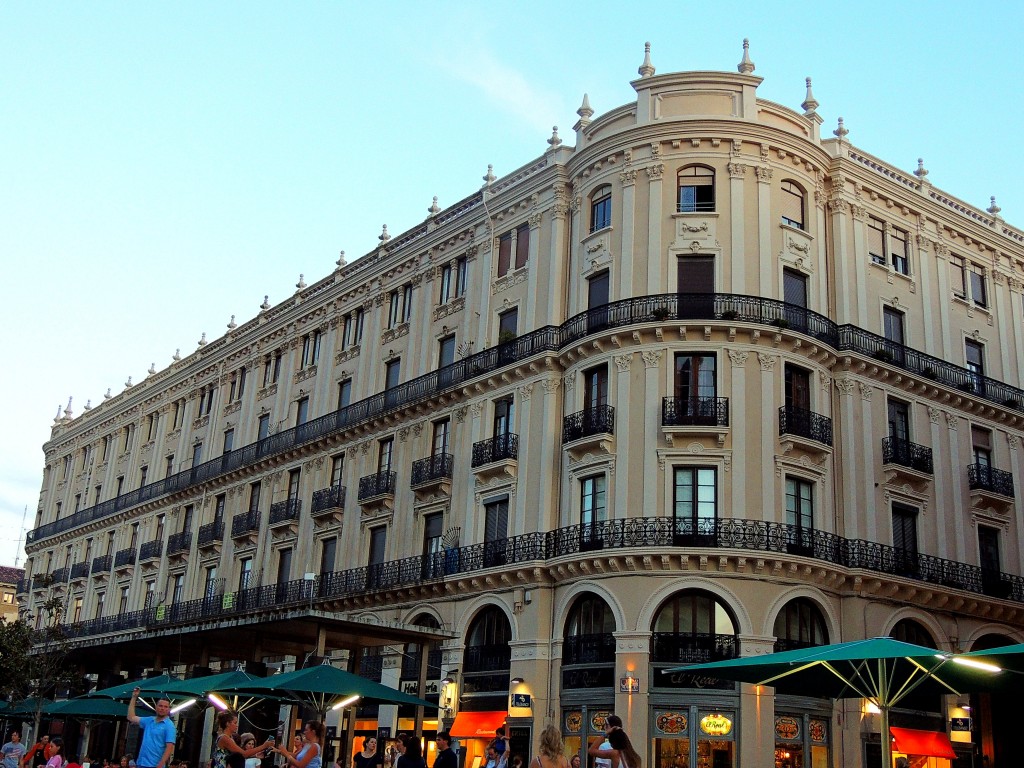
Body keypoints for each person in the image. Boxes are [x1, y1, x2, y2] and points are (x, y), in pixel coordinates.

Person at [127, 688, 177, 768]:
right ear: (156, 707)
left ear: (168, 709)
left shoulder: (169, 726)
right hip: (141, 763)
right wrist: (134, 697)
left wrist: (160, 765)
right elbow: (131, 717)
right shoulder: (149, 720)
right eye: (160, 706)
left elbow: (169, 747)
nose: (162, 708)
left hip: (154, 765)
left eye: (165, 707)